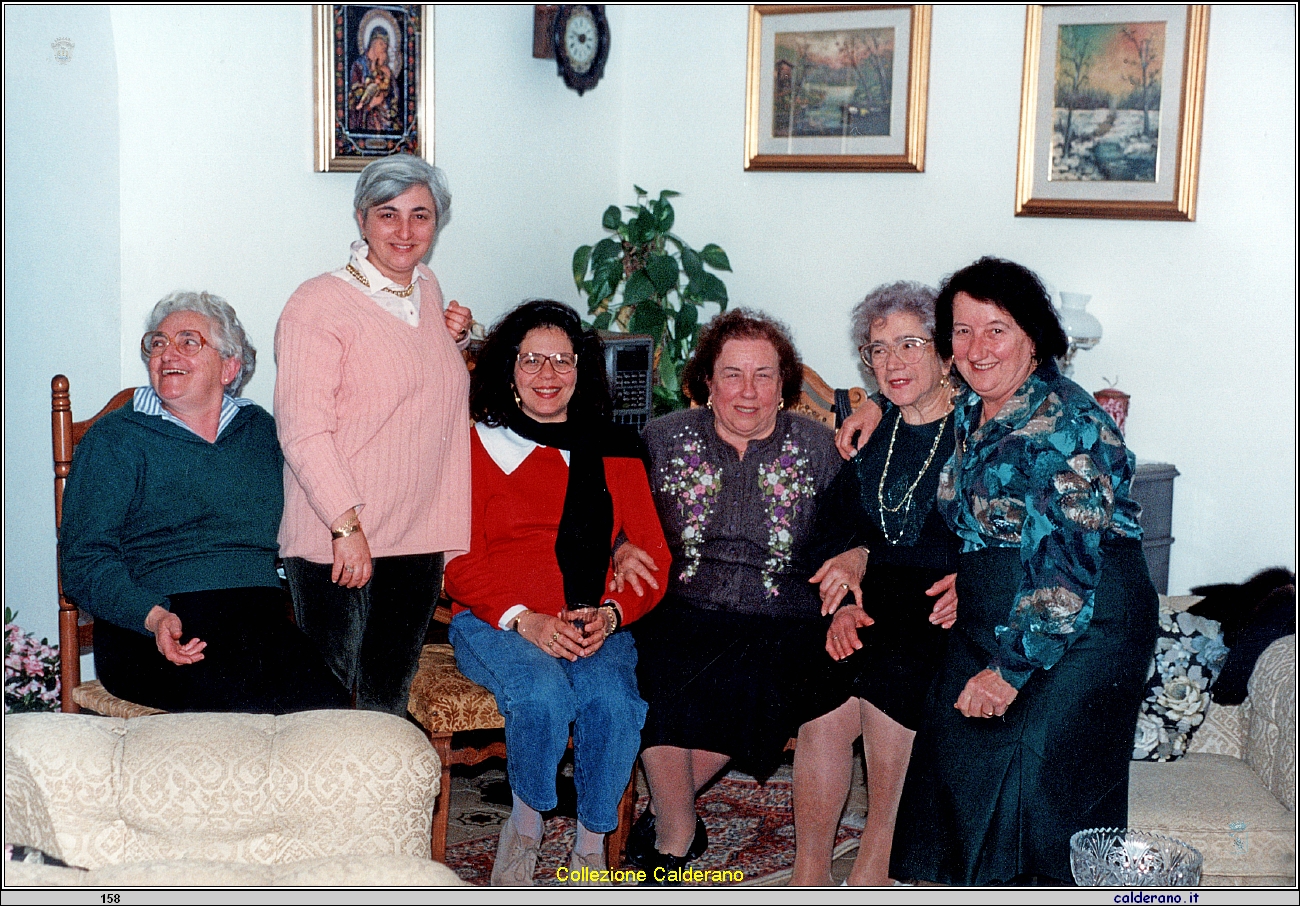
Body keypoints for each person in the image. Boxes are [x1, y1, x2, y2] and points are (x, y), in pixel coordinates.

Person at [889, 257, 1159, 885]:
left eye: (997, 329)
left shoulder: (1067, 424)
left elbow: (1067, 562)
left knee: (1033, 793)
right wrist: (978, 572)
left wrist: (1009, 671)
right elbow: (999, 520)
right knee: (956, 769)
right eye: (961, 331)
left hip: (1083, 624)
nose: (976, 348)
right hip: (1005, 610)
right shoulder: (973, 409)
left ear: (1034, 336)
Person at [443, 300, 669, 886]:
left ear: (582, 369)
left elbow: (654, 555)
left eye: (562, 361)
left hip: (592, 619)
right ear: (509, 368)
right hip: (495, 621)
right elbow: (453, 558)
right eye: (532, 360)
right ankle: (525, 825)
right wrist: (527, 619)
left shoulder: (614, 448)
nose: (547, 374)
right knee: (541, 695)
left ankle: (592, 846)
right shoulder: (477, 444)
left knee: (614, 703)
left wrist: (614, 615)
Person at [624, 308, 842, 879]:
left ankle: (666, 821)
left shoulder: (821, 448)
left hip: (782, 614)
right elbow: (622, 518)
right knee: (649, 667)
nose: (748, 391)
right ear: (706, 382)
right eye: (732, 374)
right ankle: (679, 829)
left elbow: (851, 533)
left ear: (784, 385)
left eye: (764, 375)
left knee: (761, 678)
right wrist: (622, 547)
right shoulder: (663, 438)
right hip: (683, 604)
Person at [60, 291, 349, 714]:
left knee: (329, 707)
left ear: (229, 367)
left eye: (188, 342)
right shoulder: (116, 439)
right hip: (153, 620)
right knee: (235, 711)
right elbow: (83, 559)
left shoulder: (261, 432)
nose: (167, 353)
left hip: (256, 619)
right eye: (157, 342)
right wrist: (153, 615)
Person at [275, 154, 474, 716]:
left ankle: (382, 808)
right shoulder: (315, 303)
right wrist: (345, 524)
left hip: (417, 531)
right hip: (341, 534)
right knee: (328, 705)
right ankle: (316, 809)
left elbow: (409, 383)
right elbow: (303, 428)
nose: (405, 232)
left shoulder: (427, 289)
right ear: (362, 219)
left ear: (438, 223)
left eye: (421, 215)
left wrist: (453, 343)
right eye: (388, 215)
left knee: (387, 699)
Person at [789, 282, 960, 886]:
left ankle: (875, 865)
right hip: (867, 604)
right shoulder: (871, 434)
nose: (893, 362)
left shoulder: (976, 430)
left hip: (940, 606)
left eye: (910, 344)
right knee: (827, 699)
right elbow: (829, 531)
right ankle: (808, 872)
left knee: (891, 680)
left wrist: (867, 554)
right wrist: (839, 601)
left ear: (946, 354)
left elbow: (969, 538)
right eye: (878, 349)